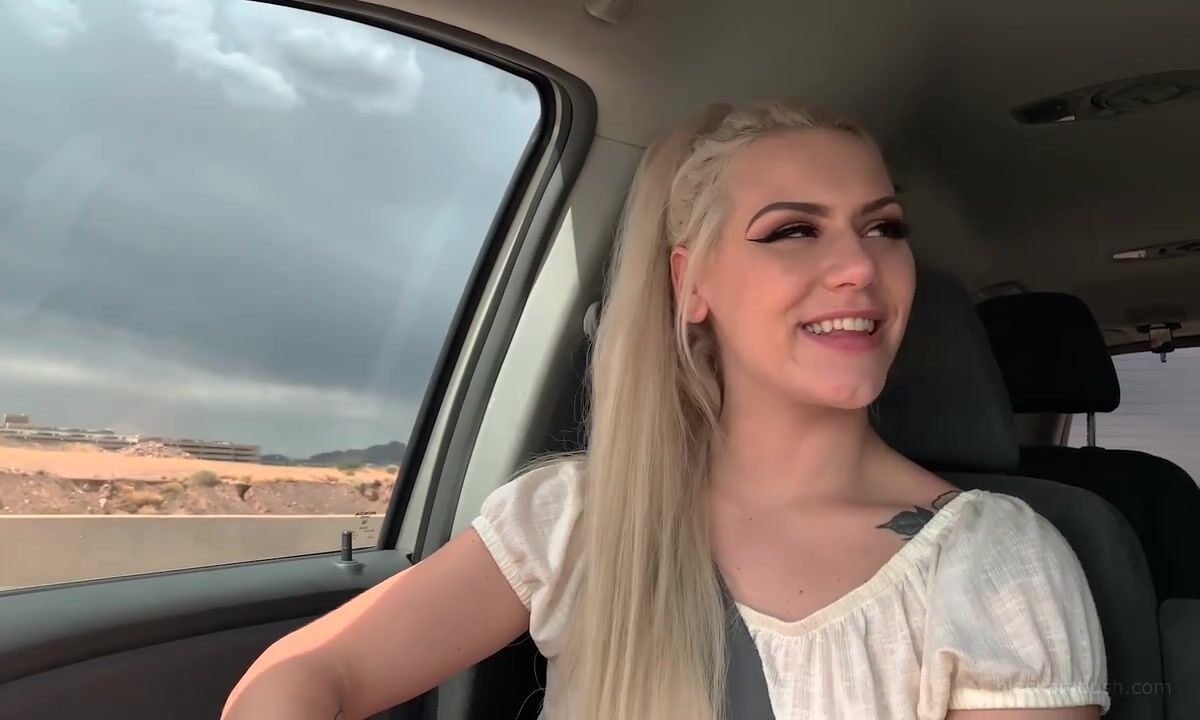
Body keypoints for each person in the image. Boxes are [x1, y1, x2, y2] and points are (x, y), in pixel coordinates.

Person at [221, 100, 1109, 719]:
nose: (859, 266)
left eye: (883, 228)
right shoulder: (575, 519)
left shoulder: (996, 566)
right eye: (794, 231)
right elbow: (310, 672)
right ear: (692, 283)